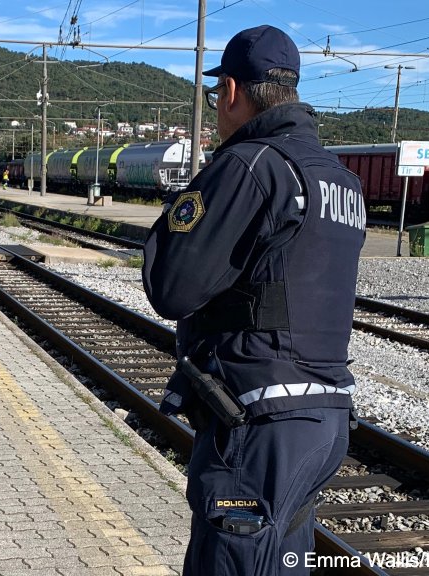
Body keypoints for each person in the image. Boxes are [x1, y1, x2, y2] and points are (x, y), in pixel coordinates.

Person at [141, 25, 366, 575]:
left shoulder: (249, 165)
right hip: (324, 415)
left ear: (233, 92)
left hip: (260, 421)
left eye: (219, 94)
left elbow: (171, 287)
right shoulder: (338, 179)